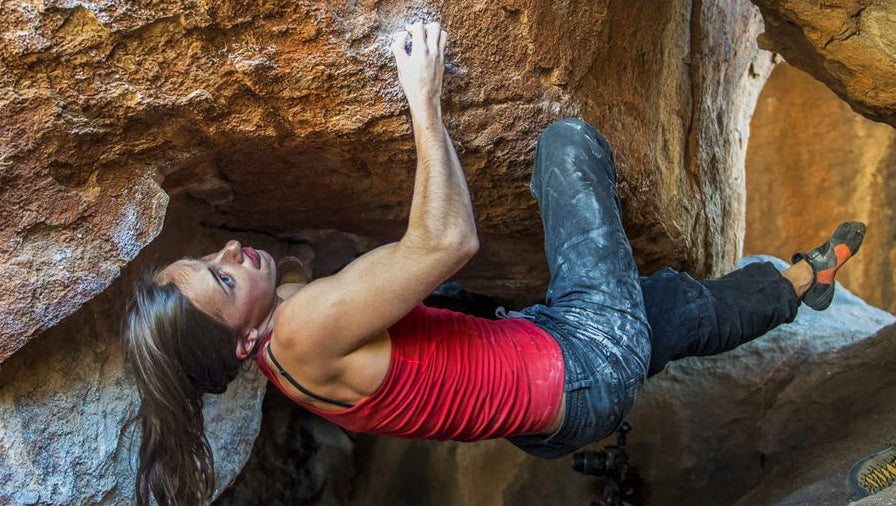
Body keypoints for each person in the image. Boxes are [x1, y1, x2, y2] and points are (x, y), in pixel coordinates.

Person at [122, 21, 866, 506]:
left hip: (553, 411)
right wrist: (425, 100)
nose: (228, 252)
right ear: (245, 343)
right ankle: (783, 285)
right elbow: (446, 242)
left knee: (677, 307)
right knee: (566, 145)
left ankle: (805, 281)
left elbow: (301, 273)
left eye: (206, 256)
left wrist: (283, 263)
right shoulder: (305, 329)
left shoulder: (284, 350)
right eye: (222, 279)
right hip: (581, 359)